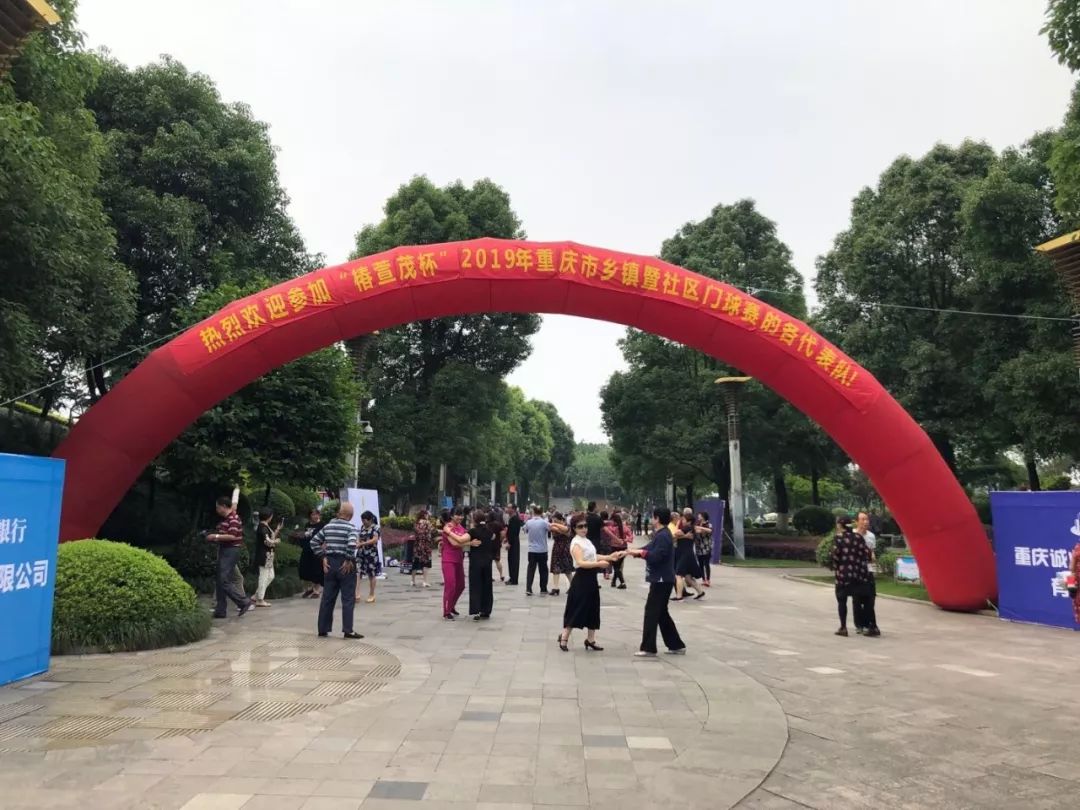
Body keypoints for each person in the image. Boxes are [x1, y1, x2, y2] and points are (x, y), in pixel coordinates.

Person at [557, 517, 626, 652]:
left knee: (593, 608)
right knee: (576, 608)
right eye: (580, 527)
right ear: (574, 529)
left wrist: (609, 557)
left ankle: (591, 639)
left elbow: (593, 555)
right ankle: (564, 637)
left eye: (585, 526)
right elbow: (581, 562)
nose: (584, 529)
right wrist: (599, 564)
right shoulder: (576, 543)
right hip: (581, 578)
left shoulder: (586, 541)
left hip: (591, 579)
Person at [628, 507, 685, 657]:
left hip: (662, 579)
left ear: (657, 518)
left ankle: (648, 647)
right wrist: (635, 551)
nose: (652, 520)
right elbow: (649, 548)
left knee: (652, 612)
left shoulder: (663, 535)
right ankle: (676, 644)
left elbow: (657, 555)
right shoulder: (662, 534)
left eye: (653, 517)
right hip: (662, 578)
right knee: (661, 613)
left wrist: (642, 553)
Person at [310, 502, 363, 639]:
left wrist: (323, 557)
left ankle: (323, 628)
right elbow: (352, 543)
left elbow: (314, 542)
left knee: (327, 597)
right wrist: (348, 558)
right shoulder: (351, 527)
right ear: (350, 516)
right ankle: (348, 630)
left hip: (330, 563)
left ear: (339, 513)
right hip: (345, 564)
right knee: (348, 598)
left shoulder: (328, 527)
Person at [207, 496, 255, 619]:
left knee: (223, 580)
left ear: (223, 506)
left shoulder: (233, 518)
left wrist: (215, 536)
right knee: (220, 580)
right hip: (225, 550)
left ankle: (243, 601)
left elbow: (232, 536)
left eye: (218, 507)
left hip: (231, 550)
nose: (217, 510)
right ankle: (220, 610)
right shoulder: (228, 518)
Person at [830, 515, 872, 637]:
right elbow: (867, 554)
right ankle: (864, 626)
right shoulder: (858, 537)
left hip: (843, 576)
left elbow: (835, 556)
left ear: (839, 525)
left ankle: (843, 627)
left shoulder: (838, 538)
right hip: (858, 575)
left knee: (842, 601)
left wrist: (836, 564)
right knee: (859, 600)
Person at [441, 507, 473, 619]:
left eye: (461, 515)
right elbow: (454, 543)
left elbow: (466, 537)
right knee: (451, 585)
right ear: (451, 516)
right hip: (448, 560)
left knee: (461, 585)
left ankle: (451, 605)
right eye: (457, 515)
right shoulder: (447, 527)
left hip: (459, 559)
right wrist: (470, 543)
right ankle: (446, 611)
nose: (460, 517)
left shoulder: (460, 527)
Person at [853, 511, 879, 635]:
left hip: (868, 570)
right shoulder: (852, 535)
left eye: (867, 519)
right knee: (857, 599)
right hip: (856, 571)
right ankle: (859, 624)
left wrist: (873, 563)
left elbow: (873, 553)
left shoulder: (871, 536)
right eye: (862, 519)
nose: (865, 522)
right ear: (857, 522)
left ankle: (870, 624)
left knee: (870, 598)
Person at [467, 508, 496, 620]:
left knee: (476, 585)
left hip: (475, 562)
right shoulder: (489, 531)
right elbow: (493, 537)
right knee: (487, 585)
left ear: (474, 519)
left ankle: (476, 610)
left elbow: (462, 540)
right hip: (487, 561)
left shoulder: (472, 532)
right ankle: (486, 609)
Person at [673, 508, 705, 600]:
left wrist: (682, 535)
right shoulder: (691, 528)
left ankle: (679, 596)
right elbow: (677, 536)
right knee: (688, 577)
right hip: (687, 554)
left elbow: (676, 533)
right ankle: (700, 592)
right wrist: (684, 536)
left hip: (685, 554)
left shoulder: (687, 528)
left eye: (683, 520)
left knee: (678, 575)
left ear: (689, 521)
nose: (681, 521)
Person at [253, 506, 280, 607]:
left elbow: (270, 537)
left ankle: (256, 595)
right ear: (269, 516)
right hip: (264, 555)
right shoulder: (262, 527)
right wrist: (275, 542)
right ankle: (260, 599)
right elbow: (267, 541)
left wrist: (277, 530)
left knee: (270, 576)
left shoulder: (265, 526)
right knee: (264, 577)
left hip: (268, 556)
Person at [297, 507, 325, 599]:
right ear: (310, 516)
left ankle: (317, 590)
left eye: (317, 514)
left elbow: (326, 537)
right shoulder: (307, 524)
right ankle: (310, 588)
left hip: (317, 550)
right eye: (313, 514)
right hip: (307, 549)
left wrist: (323, 547)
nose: (315, 516)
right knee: (305, 569)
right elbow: (305, 535)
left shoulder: (322, 525)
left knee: (316, 569)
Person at [355, 510, 382, 603]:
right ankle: (356, 593)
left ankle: (372, 594)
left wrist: (364, 543)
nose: (363, 522)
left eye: (365, 520)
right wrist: (358, 543)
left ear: (370, 520)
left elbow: (375, 540)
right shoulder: (362, 527)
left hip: (371, 554)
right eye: (362, 520)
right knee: (357, 572)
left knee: (371, 574)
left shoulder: (376, 528)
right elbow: (359, 537)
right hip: (361, 553)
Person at [524, 505, 551, 596]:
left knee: (531, 569)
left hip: (532, 550)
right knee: (543, 570)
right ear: (542, 512)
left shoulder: (528, 522)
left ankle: (528, 588)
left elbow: (525, 530)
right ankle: (543, 589)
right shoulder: (544, 522)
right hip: (542, 550)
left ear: (533, 512)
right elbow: (550, 529)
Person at [548, 511, 574, 596]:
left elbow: (566, 531)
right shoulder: (555, 526)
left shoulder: (567, 525)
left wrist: (554, 524)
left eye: (555, 520)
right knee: (556, 568)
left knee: (567, 570)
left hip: (565, 549)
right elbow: (556, 529)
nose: (554, 522)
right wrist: (556, 525)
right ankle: (556, 588)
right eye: (553, 520)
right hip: (557, 548)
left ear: (560, 519)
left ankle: (573, 586)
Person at [605, 511, 629, 589]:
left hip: (614, 548)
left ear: (614, 521)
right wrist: (624, 540)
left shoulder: (611, 528)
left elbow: (606, 530)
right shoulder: (625, 528)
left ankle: (622, 582)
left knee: (616, 566)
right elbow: (631, 538)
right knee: (618, 566)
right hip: (623, 548)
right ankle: (614, 582)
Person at [410, 509, 433, 588]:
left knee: (415, 563)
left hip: (417, 545)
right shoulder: (427, 523)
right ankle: (425, 581)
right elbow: (432, 531)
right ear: (425, 515)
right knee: (425, 563)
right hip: (426, 545)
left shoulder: (416, 523)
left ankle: (412, 580)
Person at [694, 511, 714, 587]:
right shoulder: (697, 524)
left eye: (699, 515)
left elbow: (710, 530)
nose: (698, 517)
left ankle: (708, 580)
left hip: (706, 546)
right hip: (698, 546)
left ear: (703, 516)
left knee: (706, 564)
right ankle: (703, 579)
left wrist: (700, 528)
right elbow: (696, 531)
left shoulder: (709, 524)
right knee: (701, 564)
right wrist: (699, 528)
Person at [505, 506, 523, 586]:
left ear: (513, 509)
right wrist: (507, 539)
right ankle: (512, 577)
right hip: (512, 541)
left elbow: (514, 532)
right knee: (511, 560)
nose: (507, 509)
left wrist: (510, 542)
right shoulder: (512, 518)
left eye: (509, 508)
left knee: (513, 560)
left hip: (514, 542)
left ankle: (514, 579)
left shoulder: (515, 519)